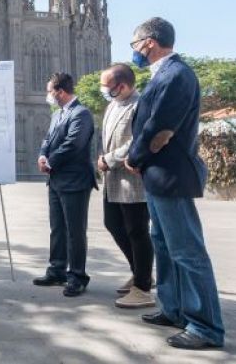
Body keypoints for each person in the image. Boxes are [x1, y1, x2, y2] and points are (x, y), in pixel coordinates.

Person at [125, 17, 224, 350]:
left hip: (170, 174)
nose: (134, 51)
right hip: (157, 176)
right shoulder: (162, 76)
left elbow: (160, 129)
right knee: (164, 245)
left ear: (150, 42)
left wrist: (134, 157)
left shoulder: (177, 75)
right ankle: (173, 309)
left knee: (187, 250)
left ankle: (205, 327)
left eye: (135, 44)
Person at [97, 64, 155, 309]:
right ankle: (140, 272)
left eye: (106, 86)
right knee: (113, 224)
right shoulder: (112, 105)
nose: (103, 90)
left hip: (133, 180)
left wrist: (108, 159)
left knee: (137, 231)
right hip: (113, 181)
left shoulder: (140, 105)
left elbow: (138, 140)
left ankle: (142, 289)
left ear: (122, 86)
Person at [34, 72, 96, 297]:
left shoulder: (81, 114)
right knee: (57, 228)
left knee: (75, 231)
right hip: (56, 180)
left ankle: (77, 276)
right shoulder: (57, 114)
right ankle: (57, 270)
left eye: (50, 91)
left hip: (75, 181)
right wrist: (42, 155)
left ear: (60, 91)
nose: (48, 95)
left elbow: (73, 144)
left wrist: (50, 161)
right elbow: (47, 140)